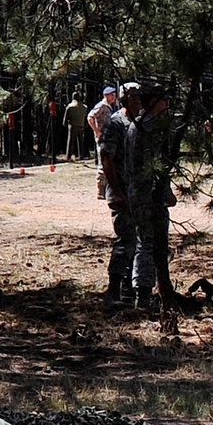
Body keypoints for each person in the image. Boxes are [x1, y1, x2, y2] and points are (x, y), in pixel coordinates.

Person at [127, 80, 177, 311]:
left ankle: (154, 293)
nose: (167, 104)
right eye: (164, 100)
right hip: (147, 196)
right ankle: (143, 297)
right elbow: (151, 168)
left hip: (144, 193)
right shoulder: (147, 128)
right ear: (155, 102)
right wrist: (164, 192)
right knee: (147, 245)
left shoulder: (143, 125)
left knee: (150, 244)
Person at [99, 82, 141, 310]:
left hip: (136, 192)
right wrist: (116, 190)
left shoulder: (139, 122)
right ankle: (113, 290)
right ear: (127, 100)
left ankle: (128, 290)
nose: (140, 101)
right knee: (126, 240)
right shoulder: (116, 123)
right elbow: (107, 157)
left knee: (137, 241)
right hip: (122, 192)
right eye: (136, 97)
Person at [87, 86, 118, 199]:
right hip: (102, 139)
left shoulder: (108, 107)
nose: (114, 97)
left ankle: (106, 189)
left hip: (108, 139)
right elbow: (90, 117)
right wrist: (97, 132)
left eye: (114, 95)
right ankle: (100, 191)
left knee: (108, 163)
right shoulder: (101, 106)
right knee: (102, 164)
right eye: (112, 95)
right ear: (106, 96)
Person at [63, 93, 87, 161]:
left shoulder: (70, 106)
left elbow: (66, 117)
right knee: (80, 141)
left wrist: (65, 123)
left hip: (73, 125)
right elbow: (85, 118)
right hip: (81, 125)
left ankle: (68, 156)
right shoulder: (84, 107)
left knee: (71, 141)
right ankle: (81, 155)